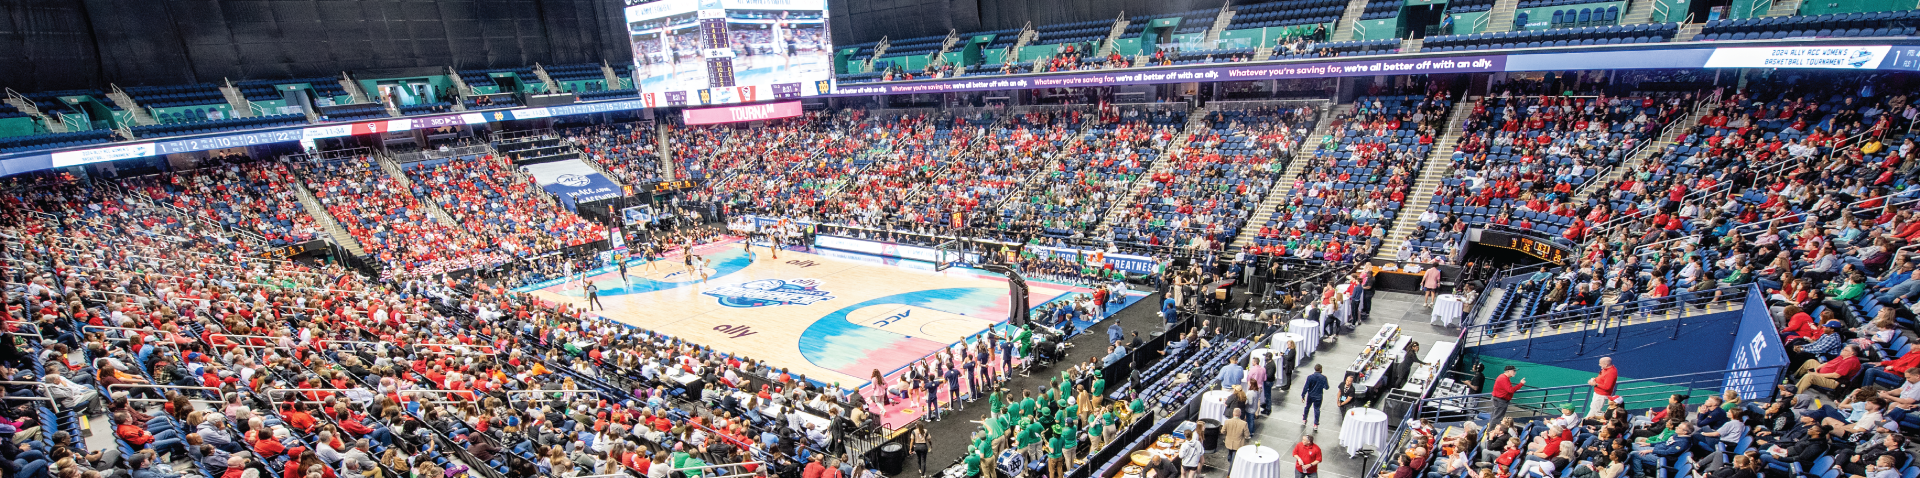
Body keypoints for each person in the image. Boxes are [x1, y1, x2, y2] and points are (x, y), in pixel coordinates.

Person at [1302, 364, 1330, 431]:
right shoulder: (1323, 378)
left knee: (1307, 407)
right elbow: (1327, 387)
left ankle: (1304, 419)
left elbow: (1306, 387)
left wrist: (1303, 395)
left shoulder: (1310, 377)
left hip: (1310, 395)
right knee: (1317, 409)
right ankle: (1315, 424)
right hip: (1318, 396)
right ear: (1320, 369)